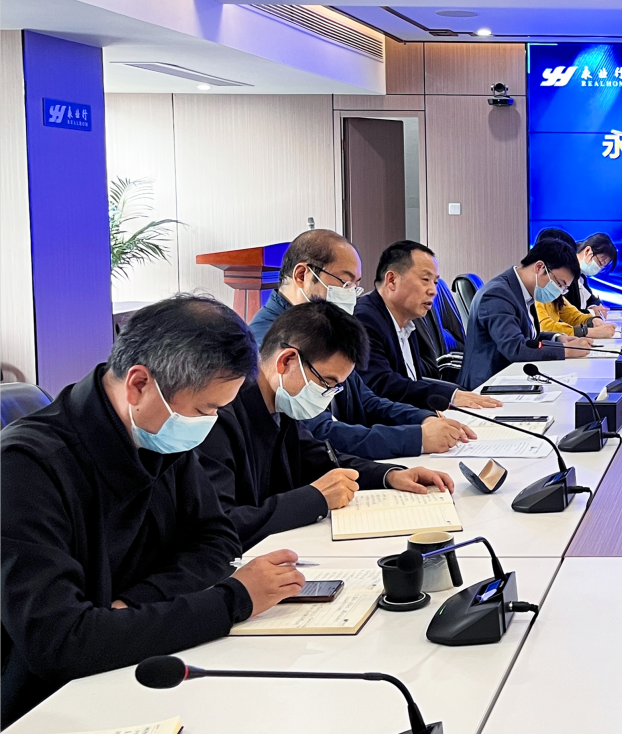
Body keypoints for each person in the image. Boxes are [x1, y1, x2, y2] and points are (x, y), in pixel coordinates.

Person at [1, 295, 306, 722]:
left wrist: (133, 604)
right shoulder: (25, 467)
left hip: (143, 662)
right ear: (139, 384)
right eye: (205, 410)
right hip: (53, 703)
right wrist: (233, 600)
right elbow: (60, 642)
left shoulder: (157, 430)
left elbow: (216, 539)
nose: (211, 423)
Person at [202, 302, 455, 549]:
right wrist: (315, 498)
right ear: (287, 361)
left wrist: (389, 475)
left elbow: (320, 458)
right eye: (326, 382)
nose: (328, 394)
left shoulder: (281, 403)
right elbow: (223, 524)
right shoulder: (217, 414)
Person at [251, 229, 476, 458]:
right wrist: (416, 438)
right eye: (345, 283)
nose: (352, 295)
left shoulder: (327, 328)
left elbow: (365, 400)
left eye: (355, 286)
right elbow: (315, 434)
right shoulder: (271, 340)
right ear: (302, 275)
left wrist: (423, 419)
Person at [354, 239, 502, 412]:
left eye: (435, 282)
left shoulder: (407, 320)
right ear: (392, 280)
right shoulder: (365, 320)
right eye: (425, 279)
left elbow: (411, 381)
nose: (433, 291)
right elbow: (381, 386)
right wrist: (450, 396)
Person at [461, 237, 593, 390]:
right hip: (487, 386)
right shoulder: (498, 295)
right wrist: (567, 350)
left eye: (564, 288)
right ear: (539, 267)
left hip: (512, 377)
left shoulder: (523, 292)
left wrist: (558, 338)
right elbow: (515, 348)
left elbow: (528, 338)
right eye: (559, 284)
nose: (559, 292)